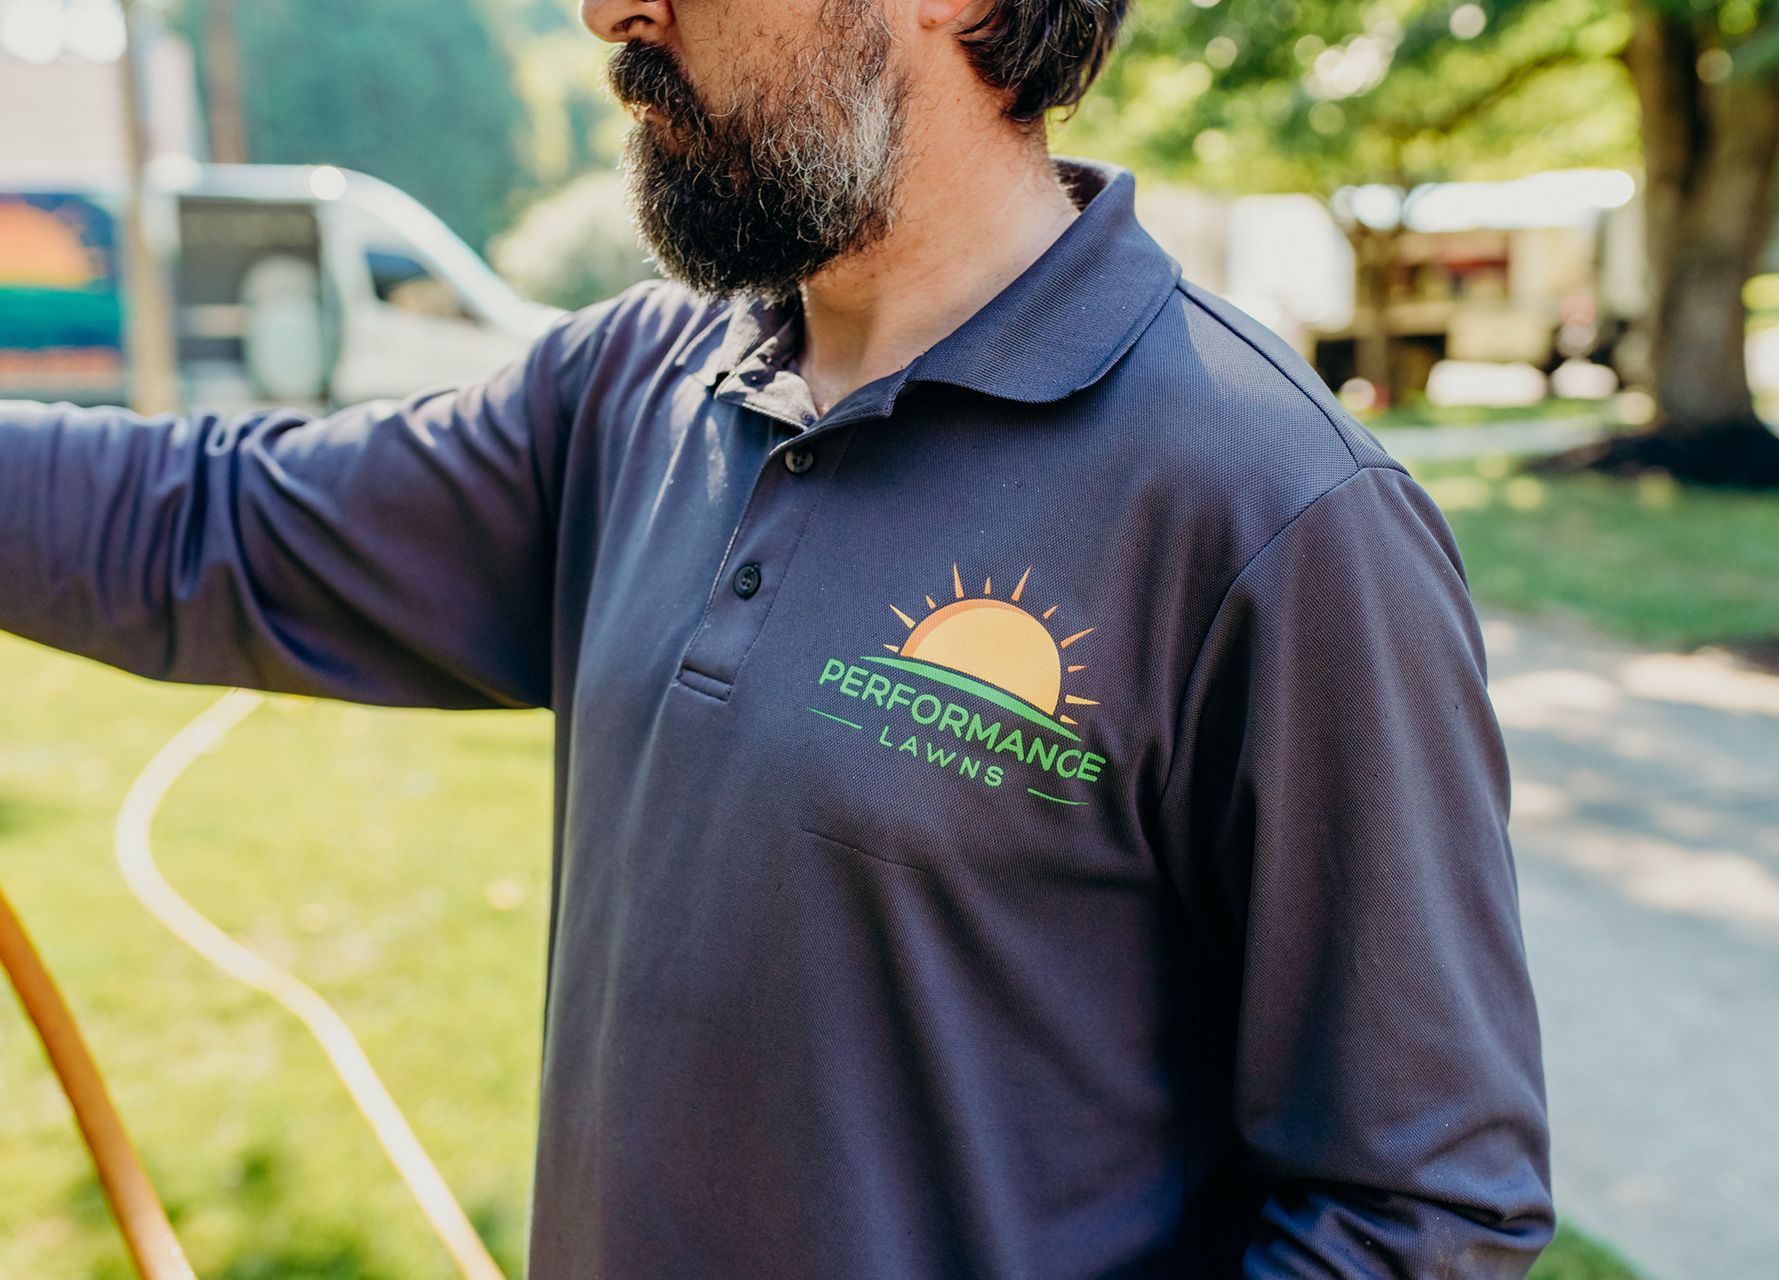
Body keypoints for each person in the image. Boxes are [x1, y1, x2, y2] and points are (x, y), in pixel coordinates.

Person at [0, 0, 1554, 1273]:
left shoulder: (1272, 508)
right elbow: (210, 527)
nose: (611, 14)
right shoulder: (628, 395)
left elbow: (1422, 1210)